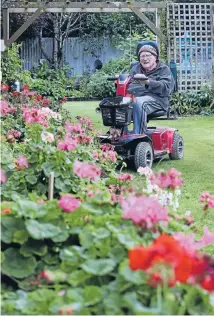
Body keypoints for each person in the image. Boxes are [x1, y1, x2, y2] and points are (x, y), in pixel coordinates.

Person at [127, 41, 175, 134]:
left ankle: (139, 135)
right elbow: (130, 87)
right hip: (135, 99)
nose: (145, 59)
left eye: (148, 55)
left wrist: (148, 82)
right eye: (142, 56)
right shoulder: (135, 69)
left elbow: (166, 88)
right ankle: (118, 134)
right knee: (118, 104)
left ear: (155, 57)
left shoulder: (164, 69)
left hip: (158, 100)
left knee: (139, 102)